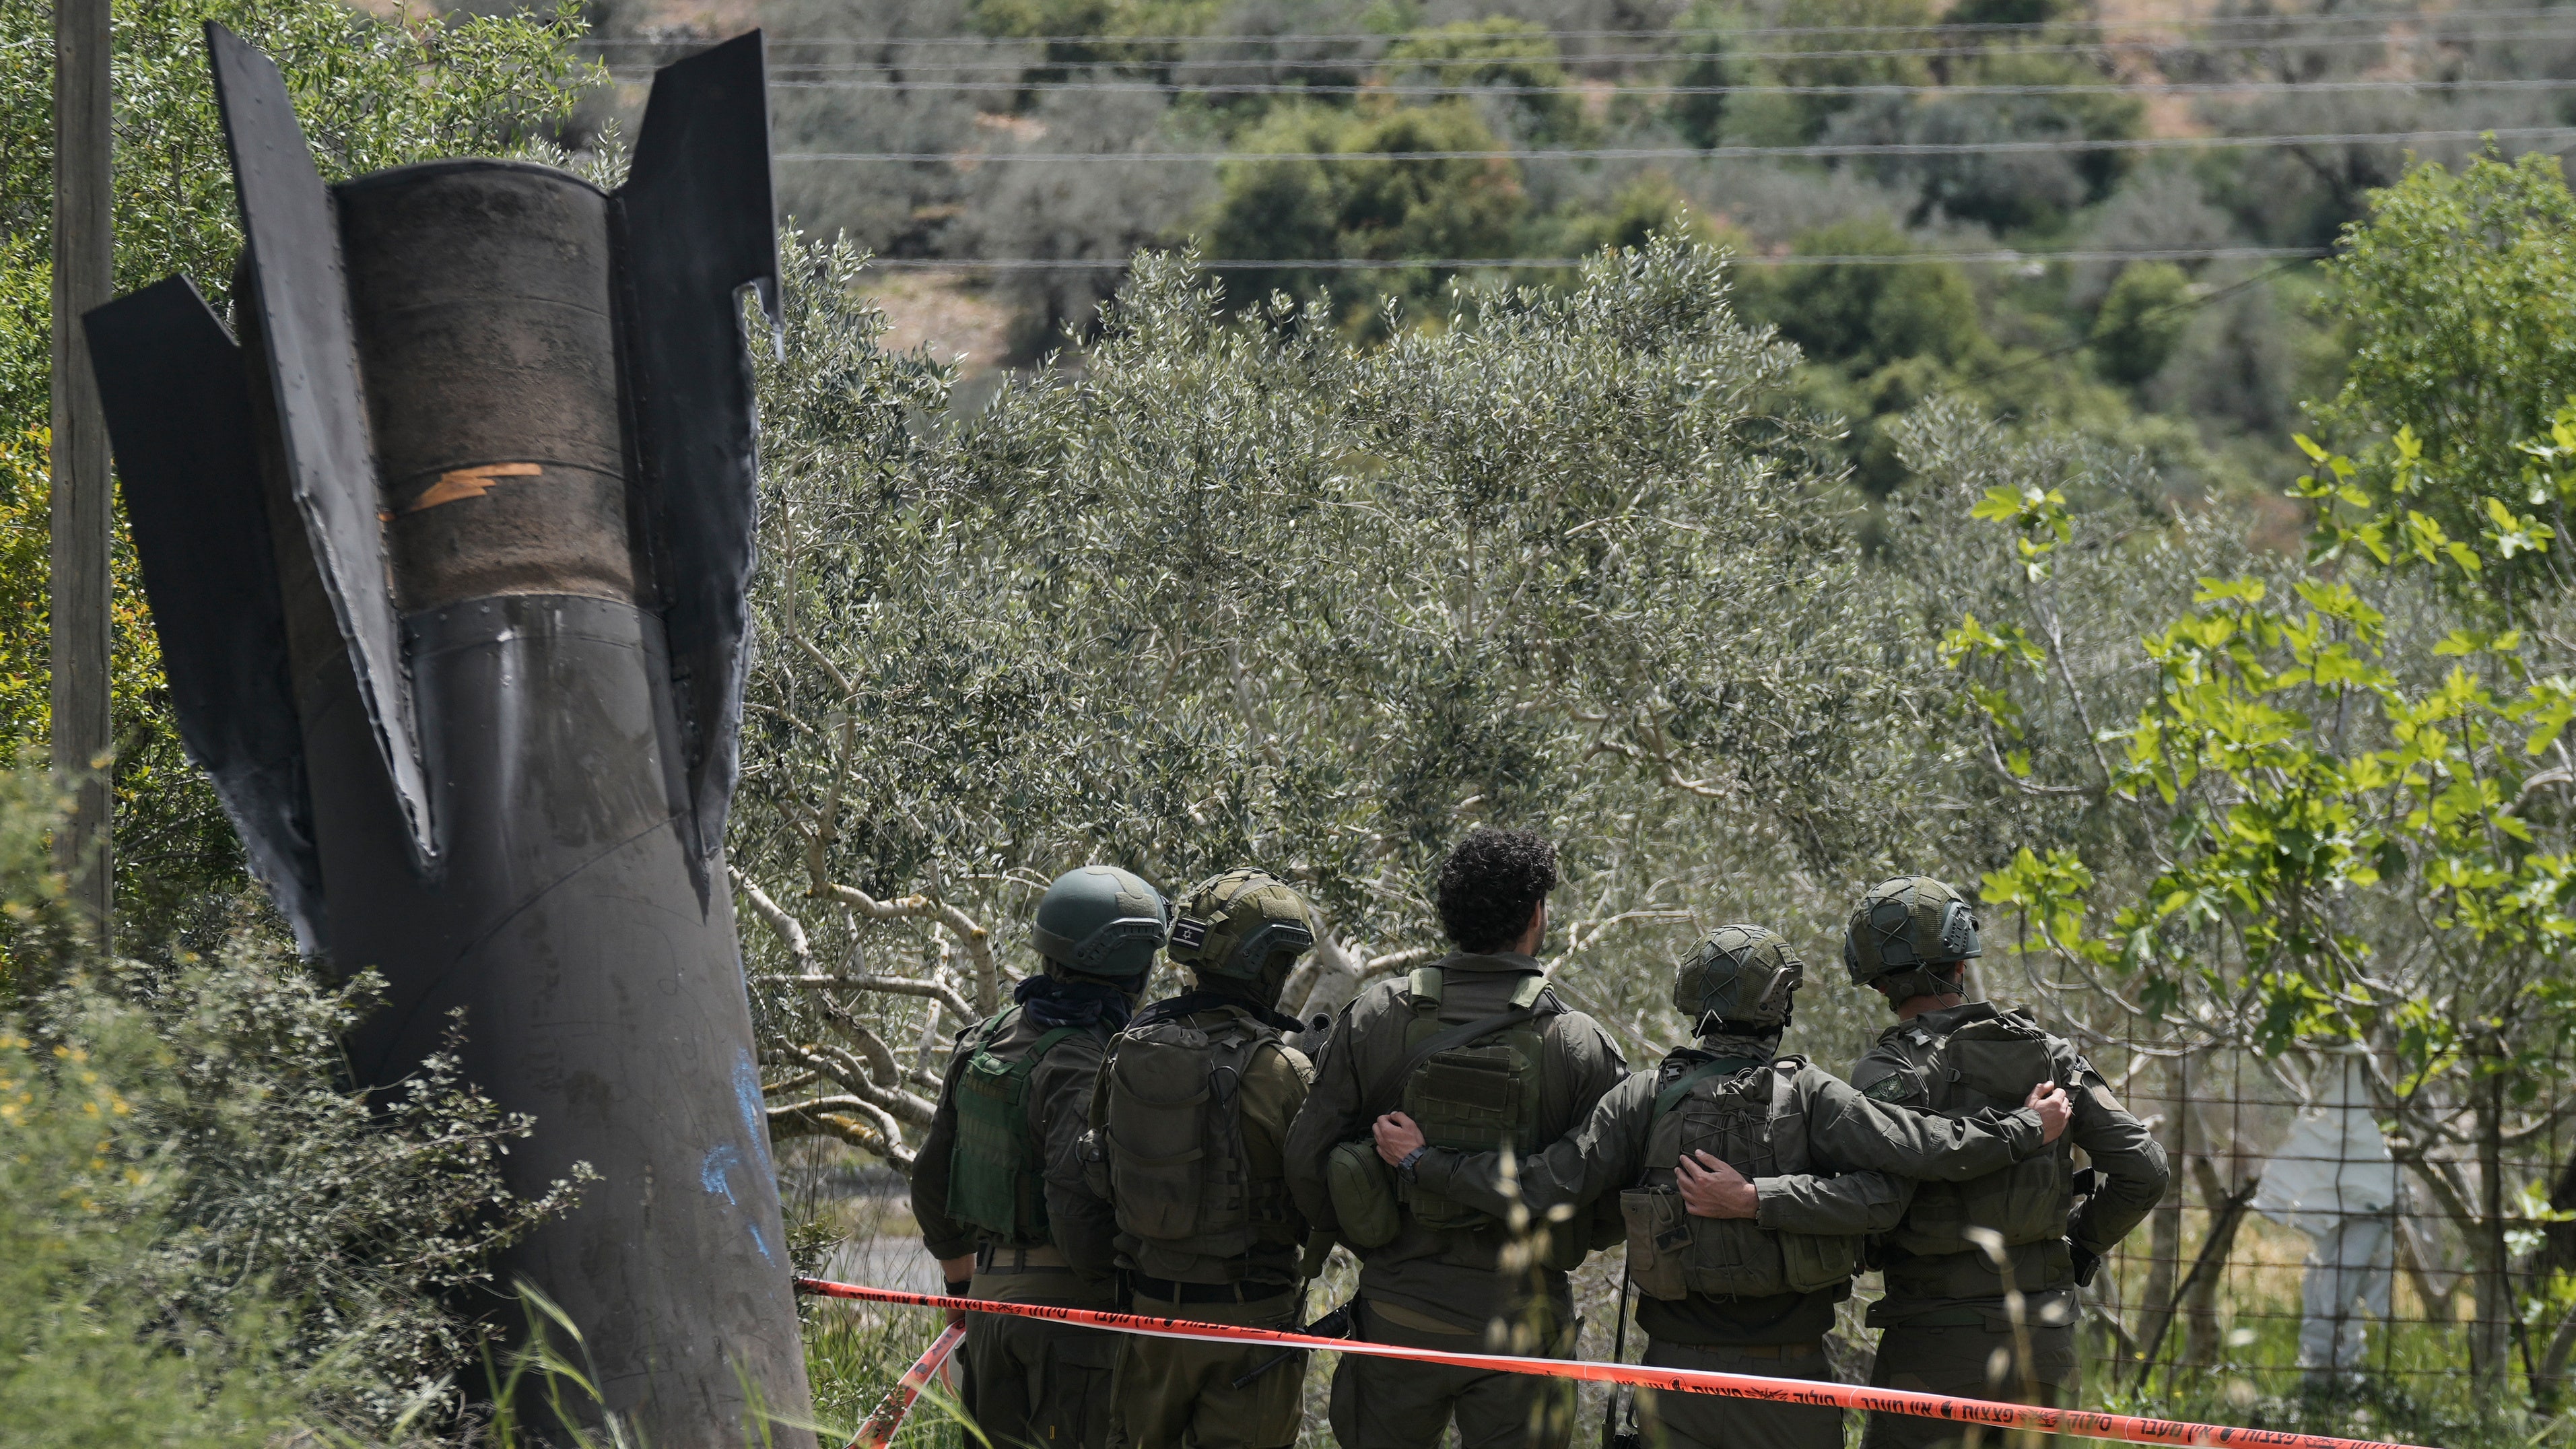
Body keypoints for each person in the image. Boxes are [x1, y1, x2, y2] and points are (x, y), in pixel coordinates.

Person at [1375, 924, 2073, 1449]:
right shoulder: (1813, 1095)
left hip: (1673, 1383)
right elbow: (1922, 1153)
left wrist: (1423, 1162)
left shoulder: (1642, 1097)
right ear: (1780, 1006)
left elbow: (1542, 1187)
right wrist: (2025, 1128)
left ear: (1691, 999)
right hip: (1793, 1388)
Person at [1283, 828, 1629, 1449]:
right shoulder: (1578, 1043)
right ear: (1535, 916)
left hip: (1397, 1317)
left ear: (1448, 914)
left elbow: (1308, 1164)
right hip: (1523, 1337)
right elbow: (1607, 1208)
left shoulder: (1376, 1015)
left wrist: (1379, 1237)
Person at [1841, 876, 2171, 1449]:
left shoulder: (1884, 1074)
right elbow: (2145, 1168)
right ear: (1961, 963)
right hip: (2042, 1347)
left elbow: (1866, 1203)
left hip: (1930, 1348)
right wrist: (2079, 1246)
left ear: (1877, 981)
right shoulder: (2052, 1056)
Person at [1048, 867, 1325, 1449]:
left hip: (1150, 1316)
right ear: (1268, 967)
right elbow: (1321, 1204)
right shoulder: (1283, 1072)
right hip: (1249, 1324)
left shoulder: (1129, 1048)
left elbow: (1092, 1173)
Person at [912, 865, 1170, 1449]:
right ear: (1134, 971)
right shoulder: (1086, 1061)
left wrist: (962, 1287)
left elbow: (930, 1179)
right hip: (1071, 1322)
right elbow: (1075, 1207)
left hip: (988, 1307)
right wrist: (1123, 1293)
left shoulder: (985, 1039)